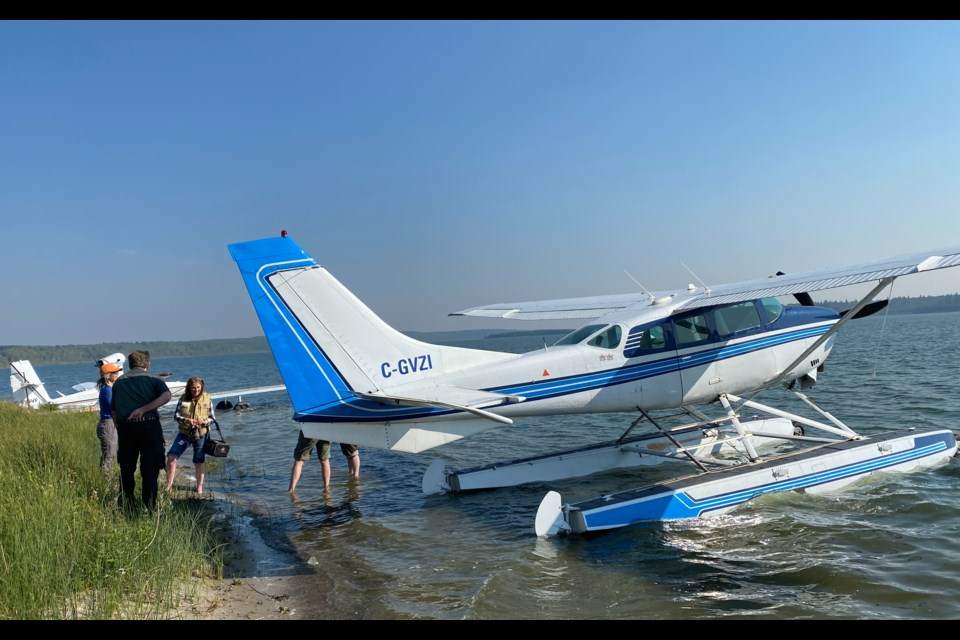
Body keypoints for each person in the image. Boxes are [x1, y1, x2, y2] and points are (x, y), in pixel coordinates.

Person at [111, 350, 172, 513]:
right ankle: (150, 507)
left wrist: (119, 428)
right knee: (150, 469)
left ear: (130, 364)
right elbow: (167, 396)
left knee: (126, 468)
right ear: (147, 364)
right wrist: (144, 409)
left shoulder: (119, 382)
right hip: (149, 427)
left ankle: (128, 505)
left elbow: (114, 410)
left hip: (126, 428)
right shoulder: (154, 379)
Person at [164, 376, 215, 495]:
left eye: (198, 388)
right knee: (171, 457)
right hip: (185, 433)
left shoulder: (207, 398)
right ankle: (169, 485)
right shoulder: (183, 398)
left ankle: (199, 488)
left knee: (199, 461)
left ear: (202, 387)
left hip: (201, 434)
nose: (196, 390)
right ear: (189, 388)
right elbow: (176, 416)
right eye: (193, 388)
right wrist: (187, 420)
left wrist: (204, 422)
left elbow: (212, 418)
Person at [288, 430, 360, 492]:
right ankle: (327, 487)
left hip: (311, 428)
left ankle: (291, 489)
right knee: (325, 460)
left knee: (299, 461)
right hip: (326, 430)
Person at [95, 362, 122, 478]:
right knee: (109, 454)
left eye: (117, 371)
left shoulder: (108, 388)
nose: (117, 373)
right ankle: (105, 481)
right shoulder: (107, 390)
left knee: (108, 454)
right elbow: (114, 406)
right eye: (114, 372)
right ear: (107, 375)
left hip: (108, 424)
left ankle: (104, 479)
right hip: (108, 424)